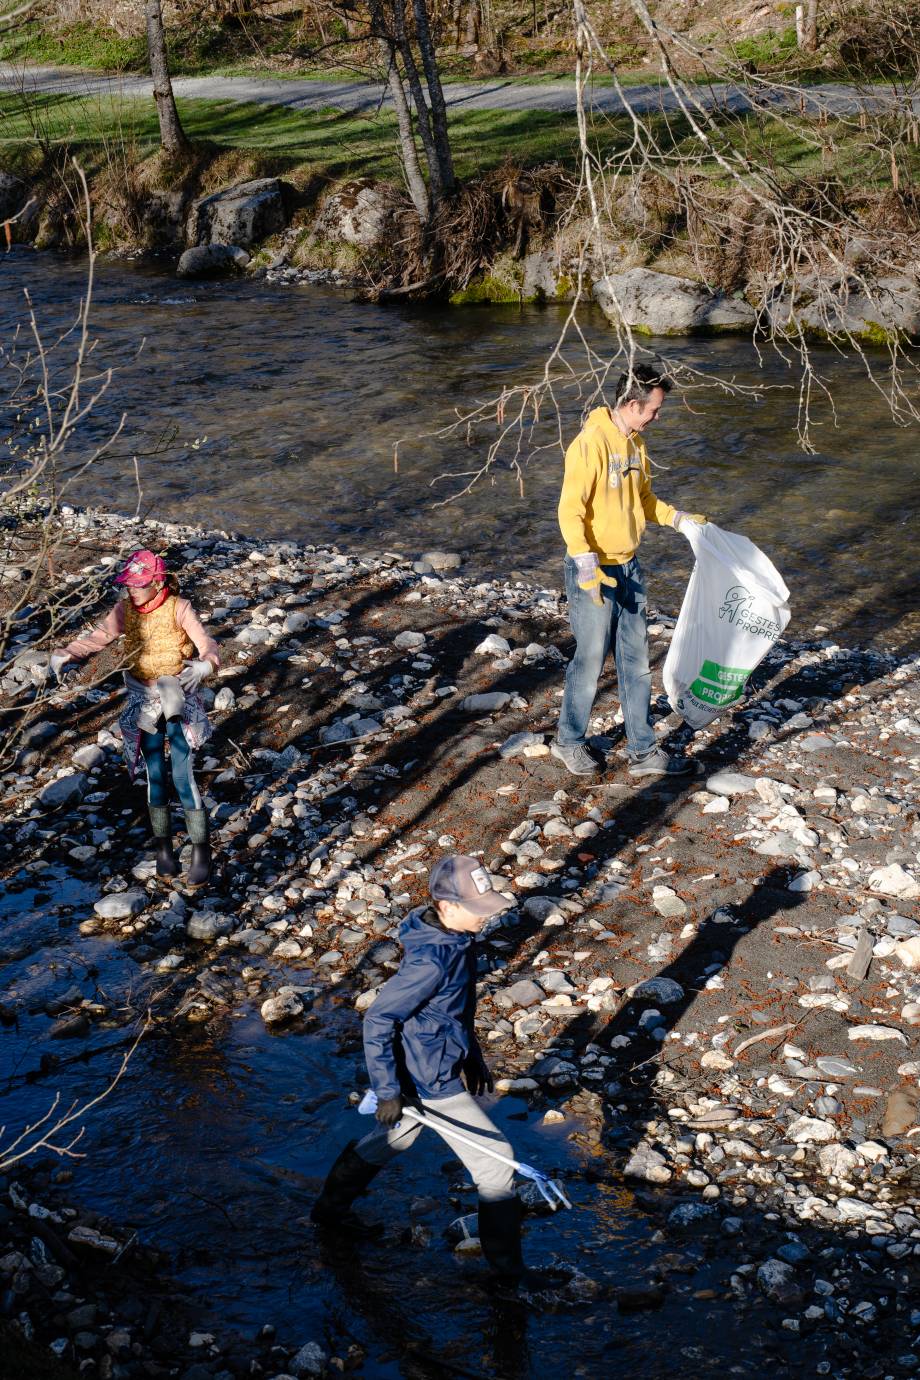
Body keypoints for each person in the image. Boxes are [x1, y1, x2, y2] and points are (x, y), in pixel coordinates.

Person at [312, 856, 539, 1286]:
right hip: (427, 1076)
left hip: (426, 1062)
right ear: (446, 905)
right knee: (497, 1165)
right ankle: (509, 1276)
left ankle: (328, 1213)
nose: (486, 917)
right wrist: (388, 1091)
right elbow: (378, 1019)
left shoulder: (455, 937)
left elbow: (449, 1010)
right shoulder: (432, 960)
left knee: (396, 1136)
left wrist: (471, 1055)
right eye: (477, 908)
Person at [552, 363, 708, 778]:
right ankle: (568, 741)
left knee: (636, 661)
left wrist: (679, 520)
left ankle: (643, 751)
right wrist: (585, 562)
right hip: (592, 569)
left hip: (628, 566)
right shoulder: (590, 444)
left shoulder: (636, 445)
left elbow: (644, 499)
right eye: (653, 409)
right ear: (632, 404)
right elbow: (570, 510)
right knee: (589, 660)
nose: (657, 416)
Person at [49, 548, 220, 886]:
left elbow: (207, 644)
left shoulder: (179, 607)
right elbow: (99, 637)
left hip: (177, 697)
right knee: (154, 774)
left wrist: (206, 664)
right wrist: (67, 653)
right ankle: (164, 851)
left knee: (181, 773)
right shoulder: (124, 609)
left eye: (139, 584)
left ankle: (201, 853)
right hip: (142, 699)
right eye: (129, 584)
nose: (132, 590)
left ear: (158, 583)